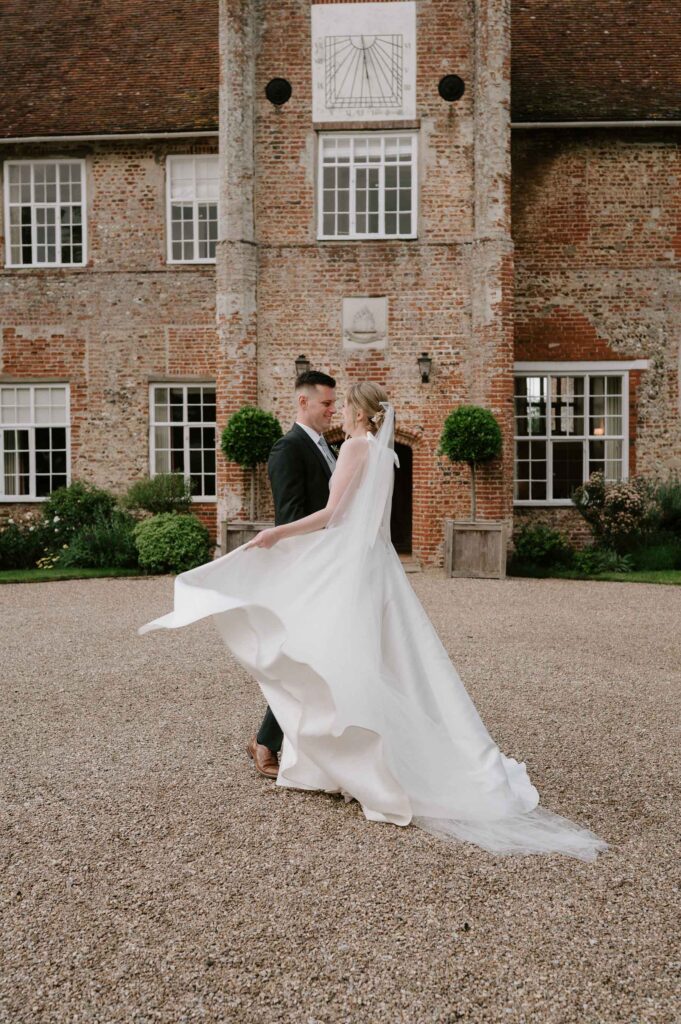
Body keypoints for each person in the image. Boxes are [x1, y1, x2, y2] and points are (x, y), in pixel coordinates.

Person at [140, 383, 608, 861]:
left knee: (325, 650)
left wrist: (275, 533)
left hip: (349, 567)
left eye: (342, 405)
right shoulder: (389, 457)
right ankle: (332, 748)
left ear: (360, 413)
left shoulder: (356, 450)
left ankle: (352, 758)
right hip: (380, 566)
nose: (338, 412)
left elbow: (329, 515)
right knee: (384, 657)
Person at [249, 369, 338, 780]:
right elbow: (291, 516)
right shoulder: (288, 448)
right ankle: (266, 741)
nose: (332, 411)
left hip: (333, 565)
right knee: (303, 655)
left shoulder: (326, 446)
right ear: (303, 402)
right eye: (326, 403)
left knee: (322, 655)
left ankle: (317, 739)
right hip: (309, 570)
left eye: (334, 403)